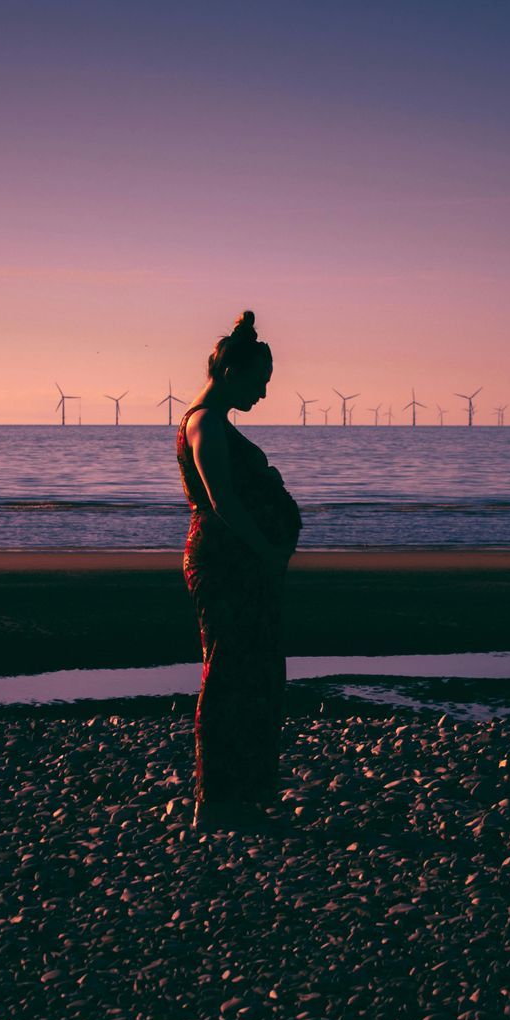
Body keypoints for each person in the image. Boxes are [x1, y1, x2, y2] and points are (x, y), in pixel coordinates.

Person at [176, 310, 303, 830]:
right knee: (229, 674)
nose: (265, 394)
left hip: (244, 563)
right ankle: (217, 800)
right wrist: (268, 551)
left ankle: (246, 795)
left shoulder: (218, 423)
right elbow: (221, 499)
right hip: (226, 564)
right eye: (260, 381)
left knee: (257, 671)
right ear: (232, 373)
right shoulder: (204, 423)